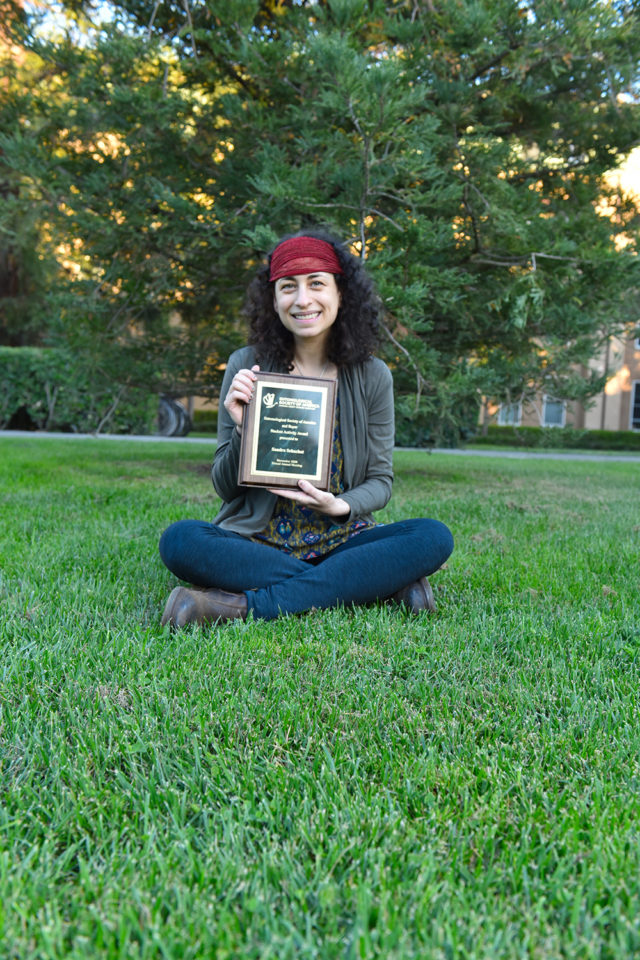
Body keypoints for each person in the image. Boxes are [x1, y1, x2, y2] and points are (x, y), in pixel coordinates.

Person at [159, 229, 453, 628]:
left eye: (316, 284)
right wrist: (244, 429)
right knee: (180, 541)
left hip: (343, 542)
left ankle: (236, 607)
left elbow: (381, 481)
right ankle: (376, 586)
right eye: (287, 287)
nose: (302, 299)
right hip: (257, 543)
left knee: (433, 536)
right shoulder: (247, 365)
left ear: (340, 293)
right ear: (273, 299)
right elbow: (224, 488)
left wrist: (339, 505)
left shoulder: (372, 376)